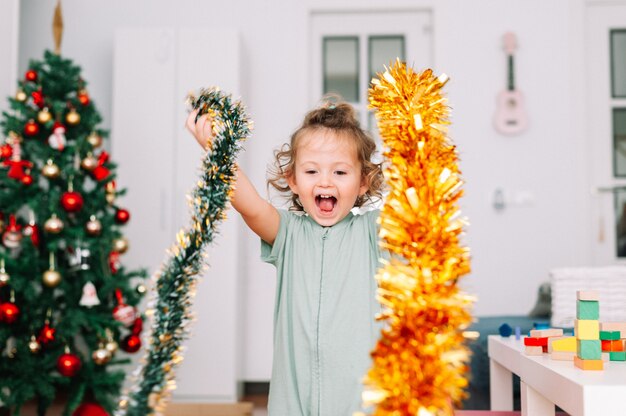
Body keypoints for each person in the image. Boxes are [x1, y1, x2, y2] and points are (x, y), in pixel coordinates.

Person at [186, 99, 385, 416]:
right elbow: (250, 206)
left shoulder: (373, 232)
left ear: (362, 182)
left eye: (340, 171)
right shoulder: (288, 232)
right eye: (311, 171)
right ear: (293, 179)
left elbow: (419, 213)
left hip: (362, 403)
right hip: (294, 401)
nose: (325, 181)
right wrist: (217, 149)